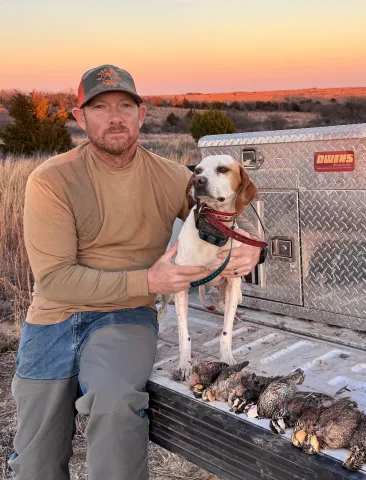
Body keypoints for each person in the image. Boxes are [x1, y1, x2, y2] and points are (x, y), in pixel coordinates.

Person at [9, 64, 262, 480]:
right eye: (100, 107)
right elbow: (54, 279)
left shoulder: (172, 177)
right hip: (53, 316)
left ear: (141, 115)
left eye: (125, 106)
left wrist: (250, 252)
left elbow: (223, 214)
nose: (115, 117)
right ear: (80, 116)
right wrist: (150, 281)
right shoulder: (50, 180)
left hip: (125, 316)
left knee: (114, 408)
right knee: (35, 460)